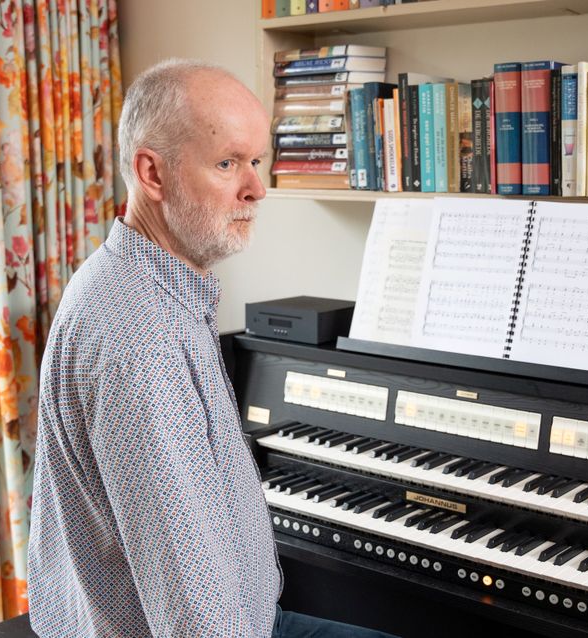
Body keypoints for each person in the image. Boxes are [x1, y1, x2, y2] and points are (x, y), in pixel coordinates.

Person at [27, 59, 397, 638]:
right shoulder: (138, 338)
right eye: (228, 163)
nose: (257, 188)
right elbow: (194, 613)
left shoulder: (149, 282)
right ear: (152, 173)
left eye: (257, 161)